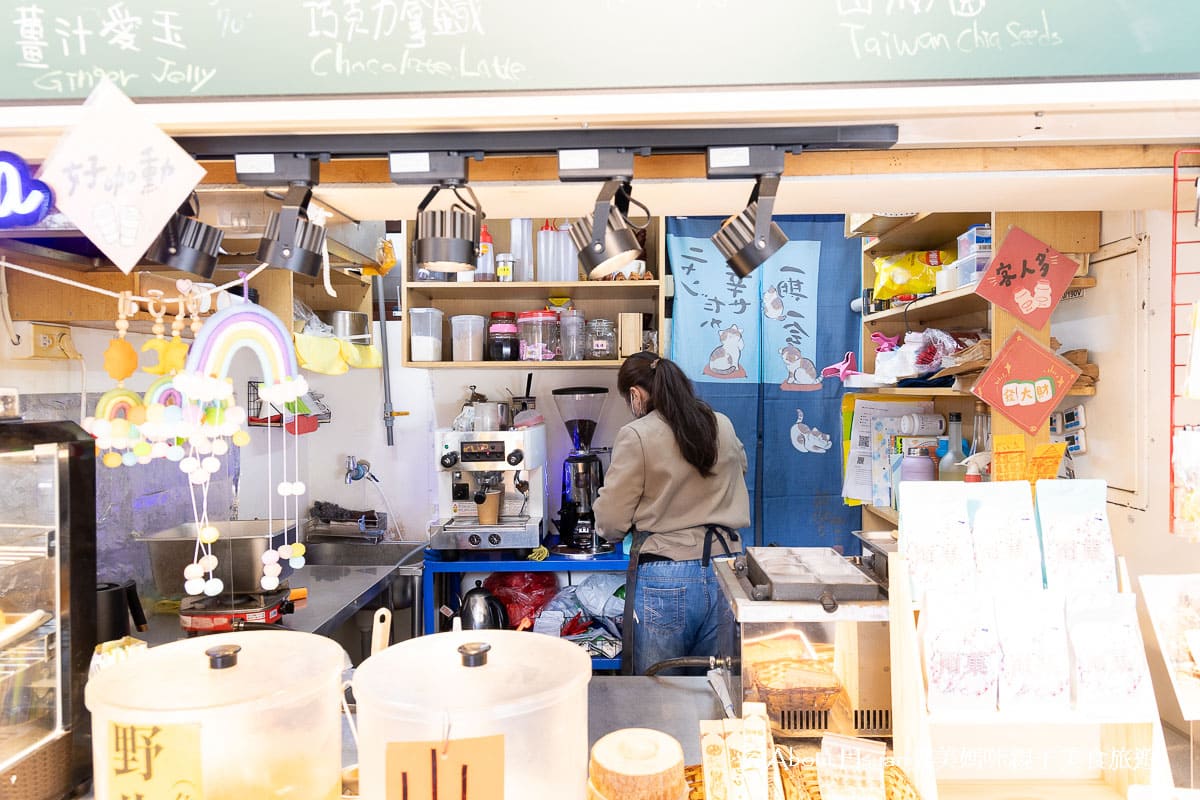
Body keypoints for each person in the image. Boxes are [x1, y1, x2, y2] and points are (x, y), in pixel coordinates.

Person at [593, 351, 751, 675]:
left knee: (657, 693)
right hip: (728, 569)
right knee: (715, 687)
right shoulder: (721, 423)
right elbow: (740, 470)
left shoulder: (637, 435)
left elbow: (610, 522)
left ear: (636, 395)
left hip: (667, 578)